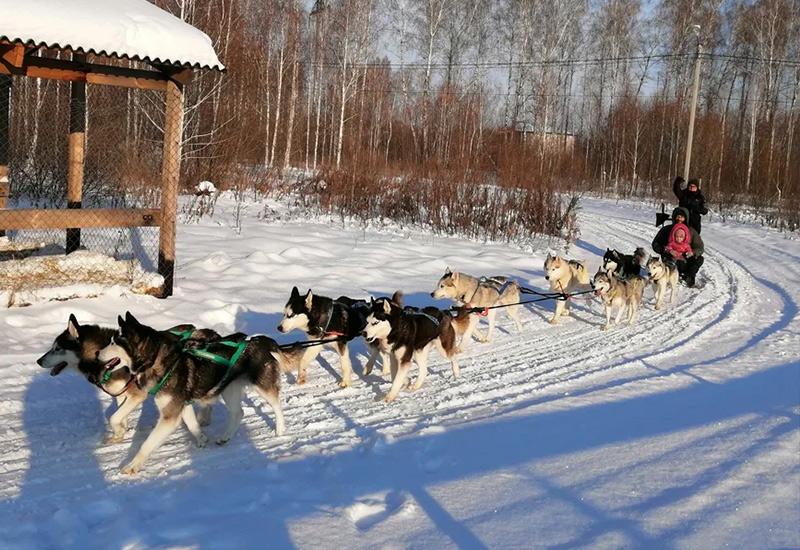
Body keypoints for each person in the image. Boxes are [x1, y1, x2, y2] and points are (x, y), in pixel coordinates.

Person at [652, 207, 704, 287]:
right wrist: (666, 250)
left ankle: (689, 276)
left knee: (699, 259)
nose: (679, 219)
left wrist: (692, 252)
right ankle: (669, 276)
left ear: (686, 218)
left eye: (682, 217)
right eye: (678, 216)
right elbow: (655, 244)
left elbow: (700, 248)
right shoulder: (666, 229)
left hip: (686, 258)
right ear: (674, 217)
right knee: (669, 260)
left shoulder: (691, 231)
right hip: (671, 258)